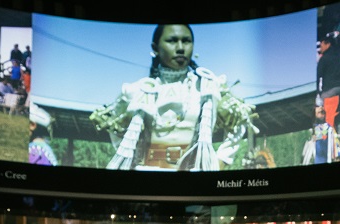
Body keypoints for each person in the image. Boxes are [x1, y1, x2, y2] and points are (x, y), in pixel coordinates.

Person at [90, 24, 257, 171]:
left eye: (186, 41)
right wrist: (131, 162)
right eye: (172, 41)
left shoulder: (210, 88)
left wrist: (220, 162)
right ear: (155, 47)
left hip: (196, 178)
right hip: (148, 176)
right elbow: (115, 127)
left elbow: (239, 122)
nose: (180, 47)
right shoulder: (136, 91)